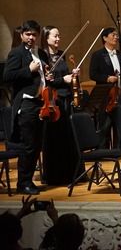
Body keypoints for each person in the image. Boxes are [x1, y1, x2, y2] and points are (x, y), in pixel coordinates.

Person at [3, 20, 49, 194]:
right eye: (28, 34)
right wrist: (28, 70)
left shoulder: (41, 53)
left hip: (41, 103)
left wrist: (48, 76)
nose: (31, 37)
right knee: (28, 145)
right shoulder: (16, 53)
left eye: (34, 34)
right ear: (22, 35)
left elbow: (43, 77)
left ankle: (28, 180)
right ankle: (23, 183)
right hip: (27, 103)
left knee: (37, 145)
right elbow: (7, 77)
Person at [40, 25, 80, 185]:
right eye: (55, 36)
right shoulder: (43, 57)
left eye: (59, 36)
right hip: (53, 101)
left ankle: (71, 173)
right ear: (46, 38)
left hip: (66, 99)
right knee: (56, 138)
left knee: (68, 138)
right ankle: (56, 175)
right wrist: (63, 79)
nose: (58, 39)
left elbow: (64, 76)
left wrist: (73, 75)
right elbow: (48, 81)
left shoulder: (61, 55)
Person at [89, 27, 121, 147]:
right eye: (113, 35)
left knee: (120, 126)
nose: (116, 37)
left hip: (119, 94)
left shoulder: (120, 54)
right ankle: (103, 151)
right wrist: (107, 78)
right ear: (104, 38)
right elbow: (93, 74)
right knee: (105, 126)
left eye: (116, 35)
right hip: (105, 96)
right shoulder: (98, 55)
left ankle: (119, 151)